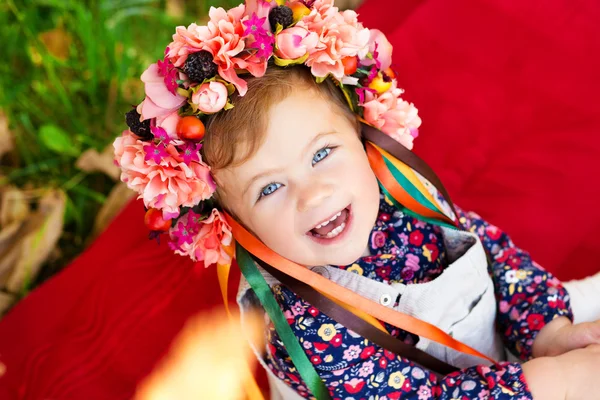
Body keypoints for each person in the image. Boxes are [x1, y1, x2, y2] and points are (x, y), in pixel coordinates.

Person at [113, 0, 600, 398]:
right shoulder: (306, 329)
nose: (314, 193)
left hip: (506, 363)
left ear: (366, 137)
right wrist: (550, 383)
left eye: (322, 153)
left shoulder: (406, 200)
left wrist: (545, 330)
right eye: (270, 187)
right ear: (231, 223)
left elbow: (490, 251)